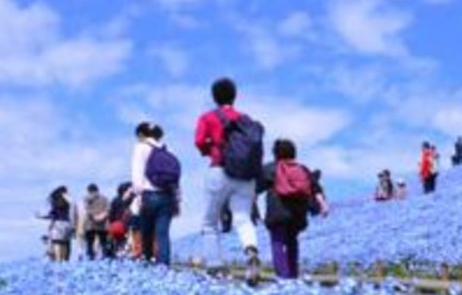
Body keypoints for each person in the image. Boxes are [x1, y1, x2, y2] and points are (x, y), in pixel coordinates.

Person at [195, 77, 263, 281]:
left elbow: (199, 141)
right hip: (245, 175)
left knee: (210, 222)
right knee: (242, 219)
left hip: (220, 170)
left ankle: (215, 268)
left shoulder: (208, 117)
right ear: (234, 96)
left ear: (214, 97)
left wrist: (211, 149)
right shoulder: (246, 119)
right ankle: (251, 251)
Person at [255, 138, 328, 280]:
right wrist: (323, 205)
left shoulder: (271, 168)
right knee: (292, 242)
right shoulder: (302, 169)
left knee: (277, 242)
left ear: (276, 153)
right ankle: (293, 275)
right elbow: (315, 188)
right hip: (298, 213)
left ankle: (283, 276)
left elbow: (257, 188)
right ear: (293, 152)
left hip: (277, 211)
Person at [132, 121, 180, 266]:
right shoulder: (166, 150)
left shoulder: (140, 147)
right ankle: (163, 266)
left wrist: (138, 194)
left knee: (146, 231)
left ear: (141, 134)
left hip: (149, 195)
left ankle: (148, 262)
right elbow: (175, 179)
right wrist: (177, 199)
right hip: (168, 196)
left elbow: (137, 173)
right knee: (162, 233)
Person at [40, 186, 77, 262]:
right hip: (67, 223)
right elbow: (73, 207)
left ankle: (58, 260)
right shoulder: (68, 202)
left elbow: (52, 215)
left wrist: (41, 216)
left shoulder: (54, 201)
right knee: (65, 243)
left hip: (58, 224)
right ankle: (64, 261)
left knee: (57, 242)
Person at [83, 184, 110, 260]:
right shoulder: (105, 198)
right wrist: (102, 216)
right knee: (103, 242)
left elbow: (87, 210)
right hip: (102, 224)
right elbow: (108, 209)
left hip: (90, 223)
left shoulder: (87, 198)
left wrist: (95, 217)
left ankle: (91, 258)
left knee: (90, 243)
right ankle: (105, 257)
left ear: (88, 191)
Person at [108, 182, 132, 257]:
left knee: (118, 241)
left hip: (117, 225)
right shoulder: (128, 200)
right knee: (124, 242)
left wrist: (111, 223)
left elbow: (111, 214)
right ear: (125, 191)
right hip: (124, 225)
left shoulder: (115, 200)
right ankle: (122, 254)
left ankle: (117, 254)